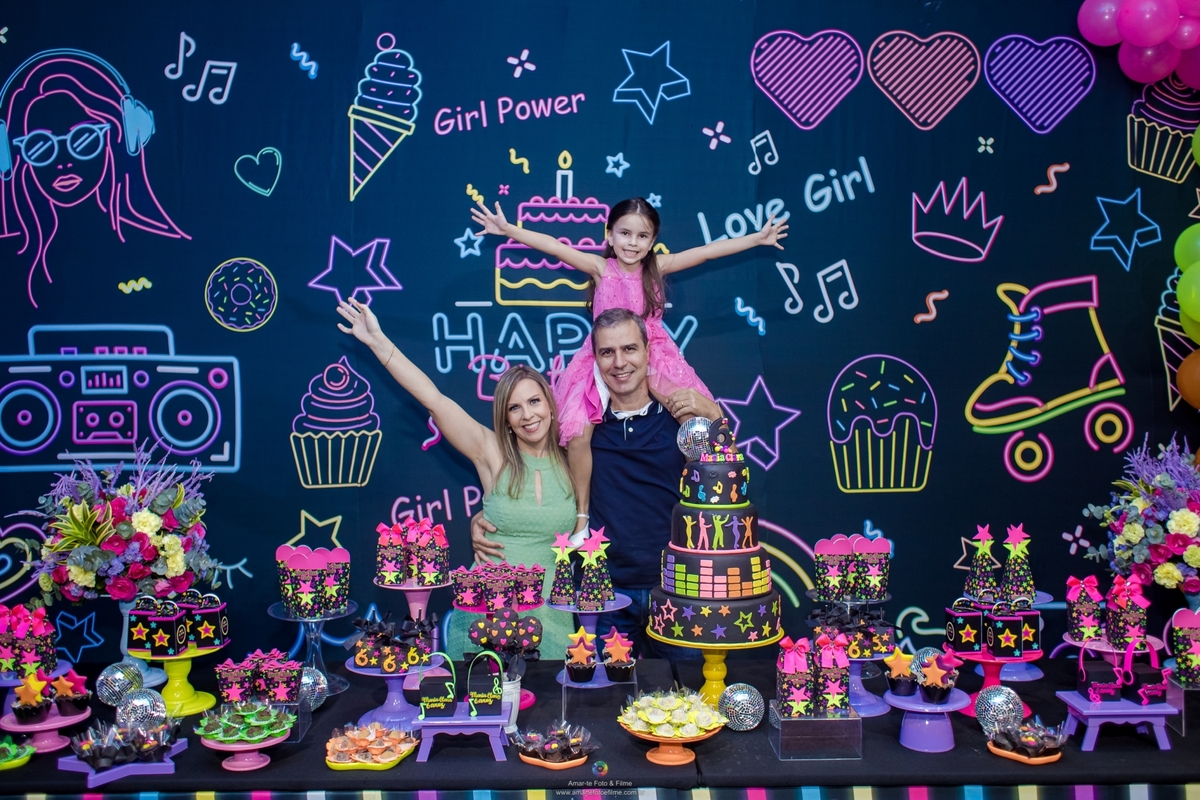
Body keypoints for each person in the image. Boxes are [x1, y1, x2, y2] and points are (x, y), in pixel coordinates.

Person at [471, 197, 786, 541]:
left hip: (654, 356)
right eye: (625, 233)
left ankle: (703, 499)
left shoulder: (657, 268)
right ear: (609, 234)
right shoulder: (600, 268)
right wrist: (508, 229)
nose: (632, 243)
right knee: (577, 431)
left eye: (642, 236)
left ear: (652, 242)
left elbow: (707, 252)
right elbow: (554, 247)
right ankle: (580, 514)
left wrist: (756, 239)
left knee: (689, 412)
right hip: (601, 358)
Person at [473, 307, 723, 662]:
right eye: (607, 352)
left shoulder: (682, 419)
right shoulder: (577, 429)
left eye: (629, 349)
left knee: (688, 691)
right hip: (602, 595)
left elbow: (725, 482)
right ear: (595, 359)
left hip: (676, 589)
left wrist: (715, 416)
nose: (619, 362)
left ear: (648, 351)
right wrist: (484, 518)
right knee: (602, 694)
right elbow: (531, 475)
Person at [336, 297, 576, 658]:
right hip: (487, 613)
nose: (528, 415)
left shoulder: (575, 457)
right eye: (514, 407)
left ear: (551, 405)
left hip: (553, 616)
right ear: (506, 419)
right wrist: (378, 342)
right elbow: (433, 398)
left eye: (534, 402)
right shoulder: (492, 452)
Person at [0, 52, 189, 308]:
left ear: (121, 137)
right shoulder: (9, 259)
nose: (63, 162)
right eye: (40, 146)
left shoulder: (161, 251)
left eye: (84, 139)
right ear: (10, 157)